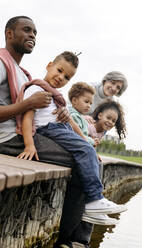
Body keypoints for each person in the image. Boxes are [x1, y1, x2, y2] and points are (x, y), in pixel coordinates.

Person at [0, 16, 93, 248]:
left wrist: (58, 114)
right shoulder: (2, 64)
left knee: (87, 158)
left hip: (24, 132)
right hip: (9, 137)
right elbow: (26, 108)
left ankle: (74, 238)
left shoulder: (23, 73)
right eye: (26, 30)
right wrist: (26, 105)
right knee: (83, 160)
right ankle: (69, 239)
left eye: (35, 33)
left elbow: (37, 110)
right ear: (9, 33)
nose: (32, 35)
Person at [17, 51, 127, 225]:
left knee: (87, 150)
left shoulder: (54, 96)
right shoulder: (37, 89)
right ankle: (94, 200)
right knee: (85, 150)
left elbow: (70, 122)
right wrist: (29, 145)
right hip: (49, 129)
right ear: (49, 65)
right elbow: (27, 117)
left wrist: (85, 140)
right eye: (59, 70)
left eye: (67, 77)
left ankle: (92, 208)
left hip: (59, 128)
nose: (61, 77)